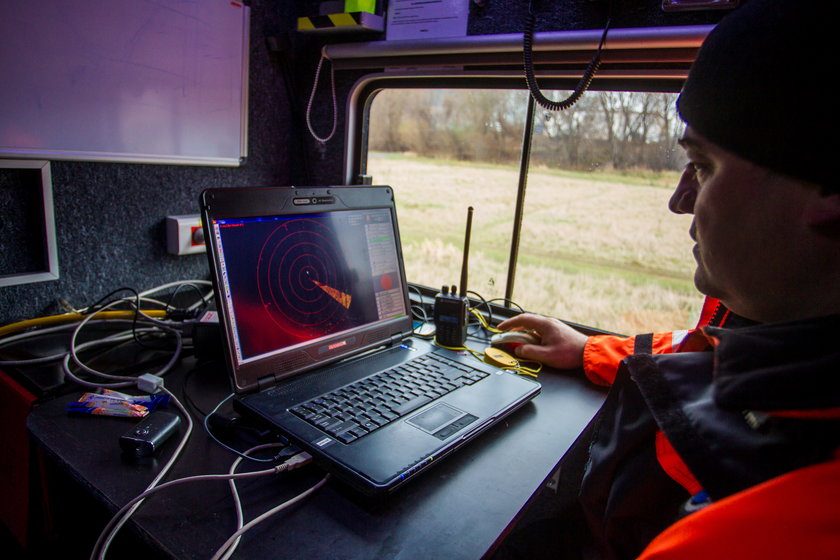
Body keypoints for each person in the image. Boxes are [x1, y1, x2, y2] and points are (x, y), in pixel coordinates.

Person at [496, 1, 840, 558]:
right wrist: (587, 349)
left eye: (703, 166)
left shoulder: (756, 533)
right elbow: (700, 351)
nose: (680, 201)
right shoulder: (770, 329)